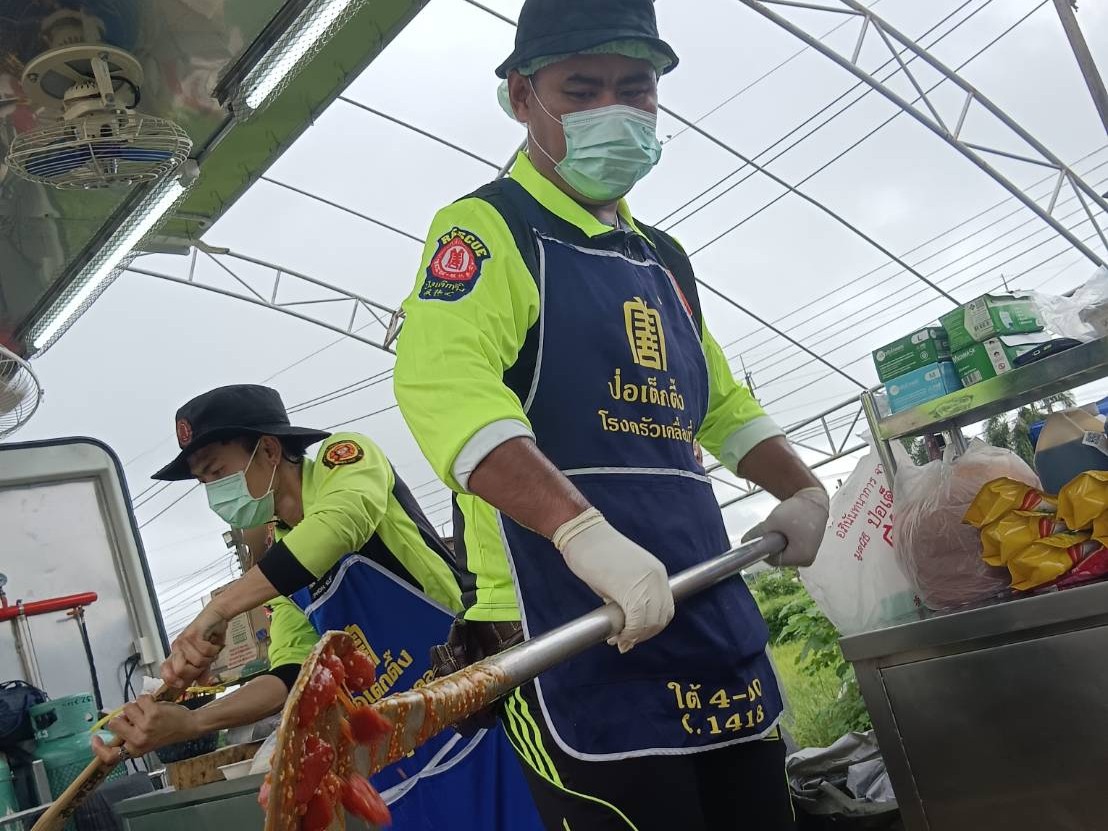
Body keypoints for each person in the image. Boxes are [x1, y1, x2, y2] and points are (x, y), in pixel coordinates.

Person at [392, 1, 831, 828]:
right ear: (521, 97)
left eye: (635, 89)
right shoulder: (490, 229)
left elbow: (720, 402)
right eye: (581, 89)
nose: (613, 111)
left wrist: (802, 489)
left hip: (698, 608)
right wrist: (581, 533)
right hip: (565, 628)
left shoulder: (662, 258)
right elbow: (446, 386)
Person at [94, 384, 541, 829]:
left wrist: (220, 609)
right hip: (397, 759)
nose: (214, 493)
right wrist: (193, 722)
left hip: (472, 717)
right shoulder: (280, 569)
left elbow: (341, 523)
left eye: (217, 472)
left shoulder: (342, 462)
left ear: (269, 450)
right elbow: (290, 678)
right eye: (204, 483)